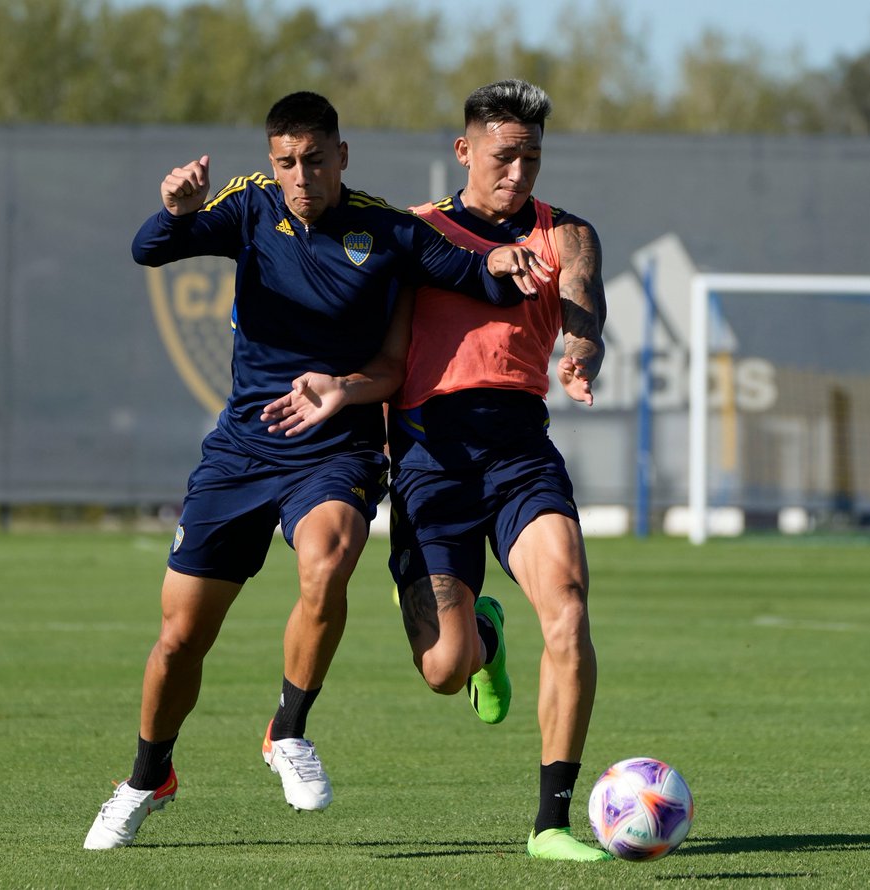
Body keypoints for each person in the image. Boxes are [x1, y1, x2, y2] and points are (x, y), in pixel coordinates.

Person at [83, 91, 548, 850]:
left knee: (329, 556)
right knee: (179, 639)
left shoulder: (387, 229)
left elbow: (475, 273)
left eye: (315, 160)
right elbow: (149, 249)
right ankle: (147, 776)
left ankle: (288, 730)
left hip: (339, 447)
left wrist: (502, 258)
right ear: (273, 162)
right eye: (286, 162)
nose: (301, 176)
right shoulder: (248, 209)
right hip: (241, 449)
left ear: (342, 155)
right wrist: (174, 210)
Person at [261, 80, 608, 861]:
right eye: (503, 156)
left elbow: (584, 302)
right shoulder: (412, 234)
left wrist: (583, 351)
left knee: (570, 611)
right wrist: (341, 393)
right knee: (445, 670)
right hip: (427, 456)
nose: (519, 173)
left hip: (520, 451)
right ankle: (482, 634)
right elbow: (385, 355)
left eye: (532, 157)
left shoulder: (569, 233)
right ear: (464, 151)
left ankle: (551, 824)